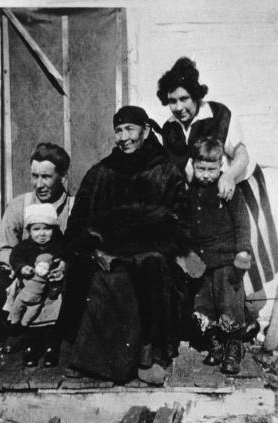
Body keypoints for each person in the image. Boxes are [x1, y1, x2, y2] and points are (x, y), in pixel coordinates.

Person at [60, 105, 189, 385]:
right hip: (106, 250)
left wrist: (138, 242)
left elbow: (178, 224)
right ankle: (91, 358)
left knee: (149, 264)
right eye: (118, 130)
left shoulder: (165, 171)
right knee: (92, 268)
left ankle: (151, 355)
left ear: (145, 130)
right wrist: (92, 245)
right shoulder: (102, 172)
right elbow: (79, 221)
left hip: (150, 251)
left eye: (130, 129)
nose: (124, 136)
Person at [157, 57, 278, 329]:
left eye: (184, 99)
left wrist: (228, 175)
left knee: (245, 254)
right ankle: (219, 320)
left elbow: (241, 154)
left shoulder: (219, 114)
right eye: (172, 101)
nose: (178, 107)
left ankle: (245, 319)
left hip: (237, 187)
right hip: (203, 196)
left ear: (196, 95)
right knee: (209, 262)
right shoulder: (170, 128)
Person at [0, 142, 72, 366]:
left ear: (62, 176)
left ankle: (61, 337)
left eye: (46, 177)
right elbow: (3, 248)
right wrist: (21, 267)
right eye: (35, 176)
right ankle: (17, 333)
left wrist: (64, 266)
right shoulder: (19, 205)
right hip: (26, 275)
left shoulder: (73, 207)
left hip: (58, 276)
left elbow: (80, 249)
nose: (39, 184)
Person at [188, 138, 251, 374]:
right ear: (192, 164)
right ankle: (214, 344)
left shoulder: (228, 188)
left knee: (229, 304)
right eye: (200, 168)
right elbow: (187, 226)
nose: (205, 174)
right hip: (202, 262)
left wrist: (243, 253)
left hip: (226, 260)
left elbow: (242, 224)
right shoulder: (191, 193)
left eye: (211, 169)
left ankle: (233, 348)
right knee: (204, 305)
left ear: (221, 164)